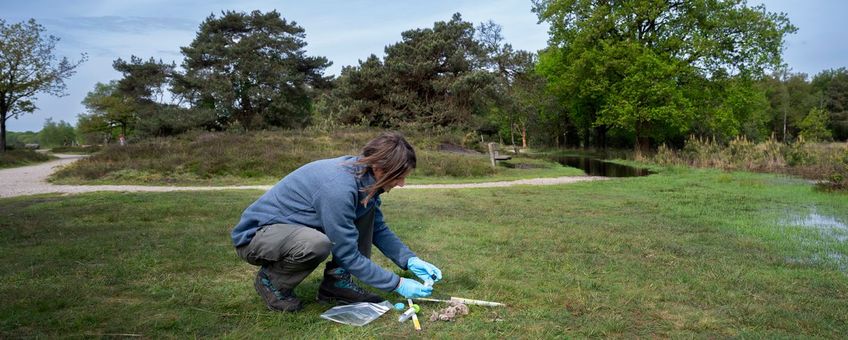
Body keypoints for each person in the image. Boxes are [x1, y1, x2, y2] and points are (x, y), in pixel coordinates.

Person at [230, 132, 443, 312]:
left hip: (289, 231)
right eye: (398, 177)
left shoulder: (365, 180)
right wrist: (397, 284)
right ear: (379, 167)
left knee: (365, 216)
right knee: (316, 244)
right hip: (256, 237)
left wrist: (410, 260)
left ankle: (336, 284)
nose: (402, 184)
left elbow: (377, 228)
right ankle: (272, 282)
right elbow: (348, 253)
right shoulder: (339, 188)